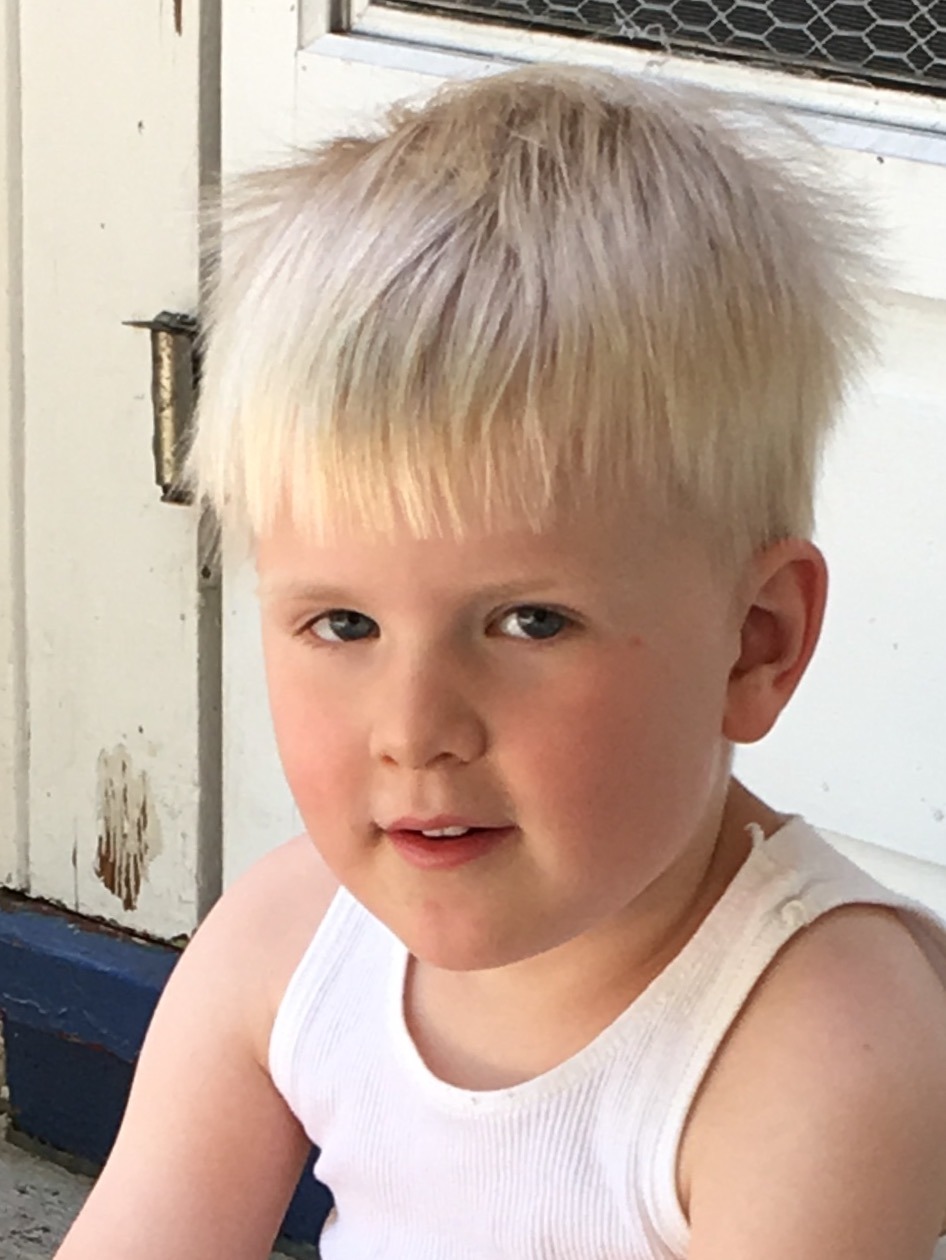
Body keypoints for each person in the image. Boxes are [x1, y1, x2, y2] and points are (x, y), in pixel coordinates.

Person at [56, 64, 946, 1260]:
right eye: (344, 625)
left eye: (529, 622)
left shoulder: (815, 1039)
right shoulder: (291, 938)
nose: (413, 729)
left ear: (756, 642)